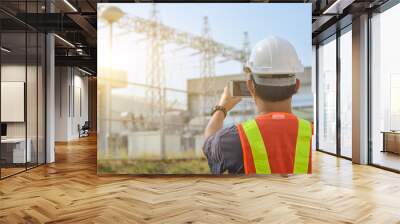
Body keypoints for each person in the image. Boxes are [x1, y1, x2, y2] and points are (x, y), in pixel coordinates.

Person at [203, 36, 312, 175]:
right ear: (297, 86)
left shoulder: (231, 139)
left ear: (250, 87)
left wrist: (221, 108)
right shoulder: (316, 135)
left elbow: (208, 145)